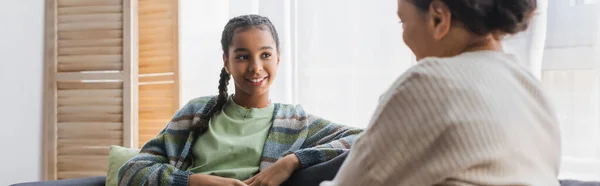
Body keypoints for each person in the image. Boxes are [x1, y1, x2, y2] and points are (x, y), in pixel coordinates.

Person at [321, 0, 561, 185]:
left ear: (438, 18)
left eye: (403, 22)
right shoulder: (531, 88)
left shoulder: (429, 80)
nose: (404, 37)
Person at [117, 14, 363, 186]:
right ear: (226, 61)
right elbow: (131, 172)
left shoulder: (295, 122)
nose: (256, 68)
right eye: (243, 56)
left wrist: (292, 161)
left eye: (265, 54)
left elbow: (365, 137)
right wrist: (194, 181)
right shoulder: (197, 112)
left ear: (278, 58)